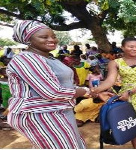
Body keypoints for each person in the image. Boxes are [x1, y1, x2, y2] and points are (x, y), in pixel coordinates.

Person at [7, 20, 89, 148]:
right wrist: (84, 91)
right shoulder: (26, 59)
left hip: (57, 111)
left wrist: (86, 91)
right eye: (44, 37)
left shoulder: (48, 57)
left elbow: (60, 85)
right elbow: (52, 92)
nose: (52, 40)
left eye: (54, 36)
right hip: (38, 114)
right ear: (28, 40)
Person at [91, 37, 136, 149]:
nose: (135, 49)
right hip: (128, 98)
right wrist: (96, 90)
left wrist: (131, 91)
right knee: (133, 124)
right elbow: (110, 80)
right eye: (131, 46)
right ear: (123, 48)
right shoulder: (115, 63)